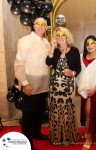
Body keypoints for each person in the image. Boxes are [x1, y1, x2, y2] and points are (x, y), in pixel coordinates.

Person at [14, 17, 51, 150]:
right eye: (38, 24)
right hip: (30, 84)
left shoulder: (46, 42)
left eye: (43, 25)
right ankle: (26, 141)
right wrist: (25, 83)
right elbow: (19, 64)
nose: (40, 27)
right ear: (34, 26)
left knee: (39, 111)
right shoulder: (25, 41)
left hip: (44, 85)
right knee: (29, 113)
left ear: (46, 28)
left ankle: (36, 133)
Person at [46, 27, 81, 146]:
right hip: (55, 85)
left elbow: (78, 67)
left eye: (62, 35)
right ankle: (56, 137)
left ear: (67, 36)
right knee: (55, 109)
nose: (60, 38)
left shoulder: (74, 50)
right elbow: (48, 62)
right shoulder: (55, 51)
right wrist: (52, 46)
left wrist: (73, 73)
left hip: (68, 84)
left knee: (67, 109)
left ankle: (68, 136)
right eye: (57, 36)